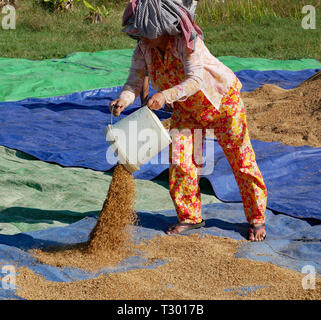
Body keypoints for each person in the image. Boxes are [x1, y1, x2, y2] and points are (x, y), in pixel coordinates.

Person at [110, 0, 267, 241]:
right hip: (187, 110)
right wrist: (123, 99)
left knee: (241, 159)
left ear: (159, 29)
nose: (140, 40)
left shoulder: (188, 43)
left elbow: (196, 80)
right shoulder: (144, 49)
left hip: (222, 104)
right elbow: (133, 81)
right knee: (181, 160)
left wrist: (165, 95)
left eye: (143, 34)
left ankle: (256, 219)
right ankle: (190, 217)